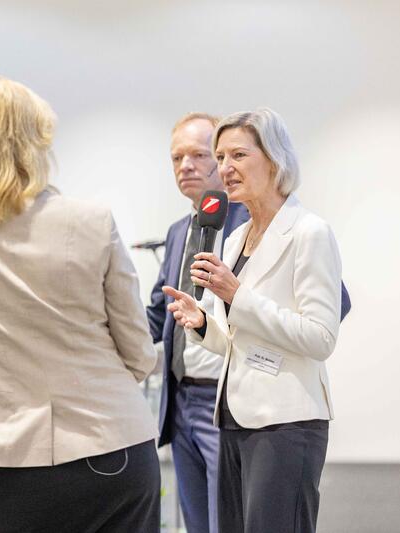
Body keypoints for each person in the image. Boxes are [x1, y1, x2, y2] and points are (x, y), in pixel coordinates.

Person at [0, 76, 160, 533]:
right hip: (115, 443)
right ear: (36, 139)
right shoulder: (92, 220)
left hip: (16, 456)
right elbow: (140, 352)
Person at [163, 108, 344, 533]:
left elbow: (320, 338)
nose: (225, 168)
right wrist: (202, 324)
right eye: (221, 157)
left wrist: (236, 295)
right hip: (233, 417)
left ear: (275, 159)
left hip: (286, 423)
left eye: (238, 155)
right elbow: (237, 338)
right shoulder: (235, 238)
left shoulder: (310, 233)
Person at [146, 112, 249, 533]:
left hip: (229, 401)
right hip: (182, 401)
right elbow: (157, 312)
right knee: (197, 524)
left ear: (224, 163)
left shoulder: (257, 222)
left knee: (230, 521)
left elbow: (331, 304)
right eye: (176, 158)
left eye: (198, 155)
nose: (185, 165)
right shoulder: (178, 231)